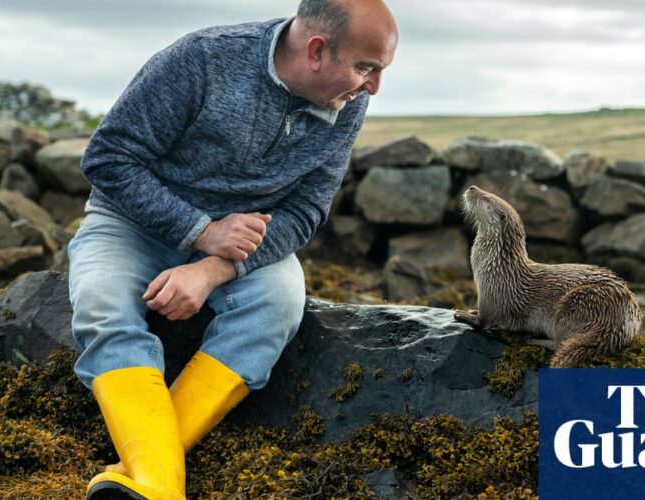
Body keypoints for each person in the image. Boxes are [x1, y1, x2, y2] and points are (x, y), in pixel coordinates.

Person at [67, 0, 398, 498]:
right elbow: (109, 159)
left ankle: (151, 477)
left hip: (243, 245)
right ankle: (163, 483)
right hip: (128, 226)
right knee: (101, 303)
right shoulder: (201, 59)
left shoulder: (348, 100)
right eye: (366, 68)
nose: (373, 86)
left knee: (279, 304)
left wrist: (213, 268)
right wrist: (201, 231)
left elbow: (307, 210)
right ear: (315, 51)